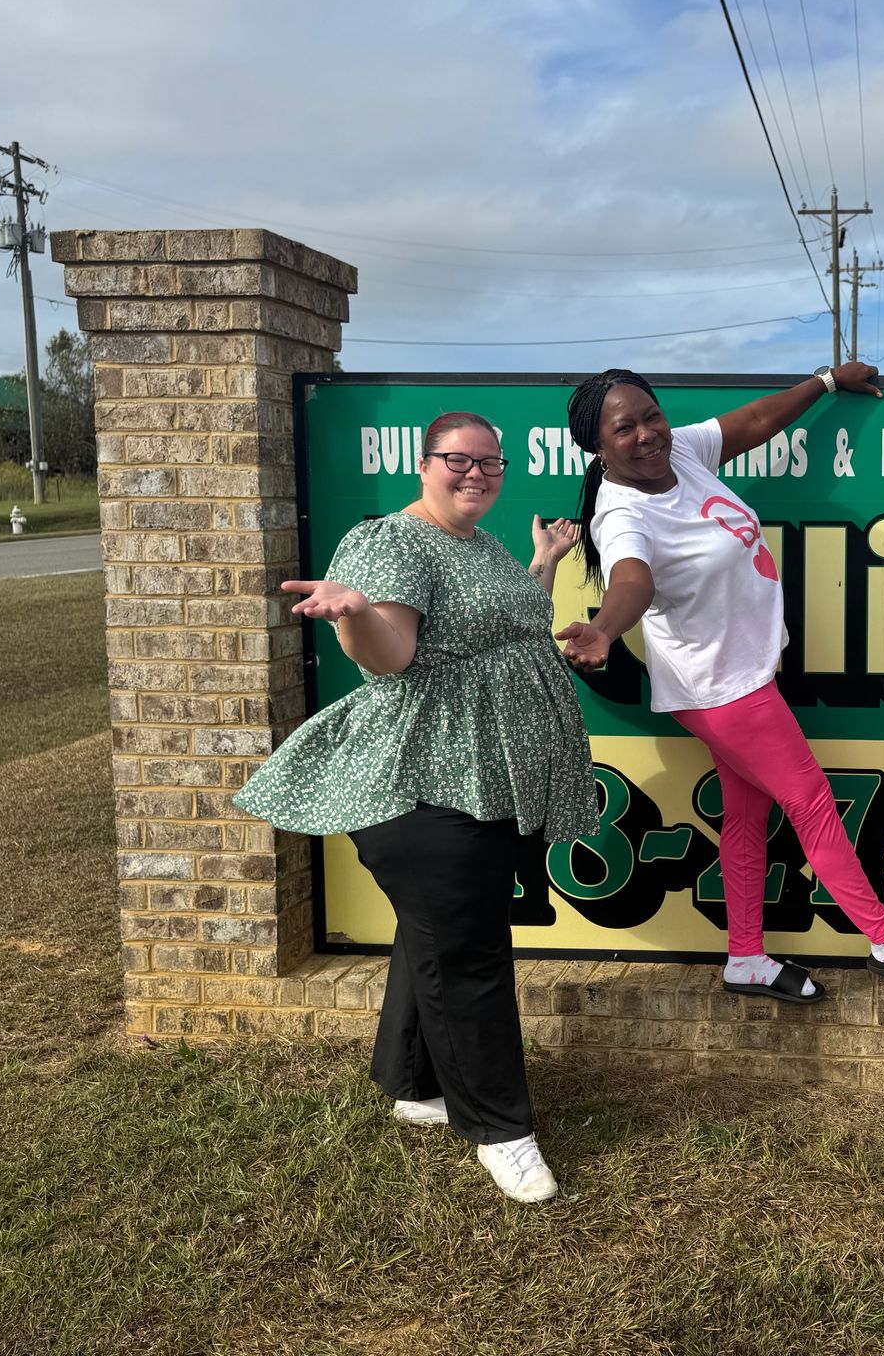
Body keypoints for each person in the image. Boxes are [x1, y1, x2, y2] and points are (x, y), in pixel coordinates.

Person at [234, 411, 598, 1203]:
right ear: (424, 462)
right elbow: (393, 653)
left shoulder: (482, 543)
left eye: (491, 463)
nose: (478, 474)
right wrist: (355, 612)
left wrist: (542, 563)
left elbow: (509, 623)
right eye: (459, 461)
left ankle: (412, 1083)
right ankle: (500, 1129)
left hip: (481, 777)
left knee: (438, 928)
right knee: (467, 949)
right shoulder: (392, 542)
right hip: (421, 780)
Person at [555, 363, 884, 1002]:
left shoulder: (681, 452)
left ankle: (745, 957)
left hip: (738, 674)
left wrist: (827, 382)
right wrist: (606, 629)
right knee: (811, 803)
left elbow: (754, 422)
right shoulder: (623, 516)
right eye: (624, 428)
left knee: (747, 817)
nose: (646, 434)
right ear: (597, 445)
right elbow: (632, 580)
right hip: (722, 689)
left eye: (650, 416)